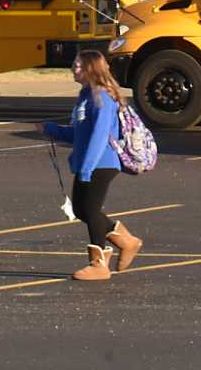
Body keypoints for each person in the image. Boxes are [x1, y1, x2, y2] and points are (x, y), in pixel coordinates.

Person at [42, 50, 143, 281]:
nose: (73, 69)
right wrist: (51, 129)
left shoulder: (102, 98)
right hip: (87, 163)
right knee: (81, 209)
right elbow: (79, 135)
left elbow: (99, 137)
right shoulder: (85, 97)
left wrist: (87, 169)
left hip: (102, 162)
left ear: (91, 69)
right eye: (74, 64)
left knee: (90, 210)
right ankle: (126, 241)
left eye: (78, 65)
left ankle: (99, 265)